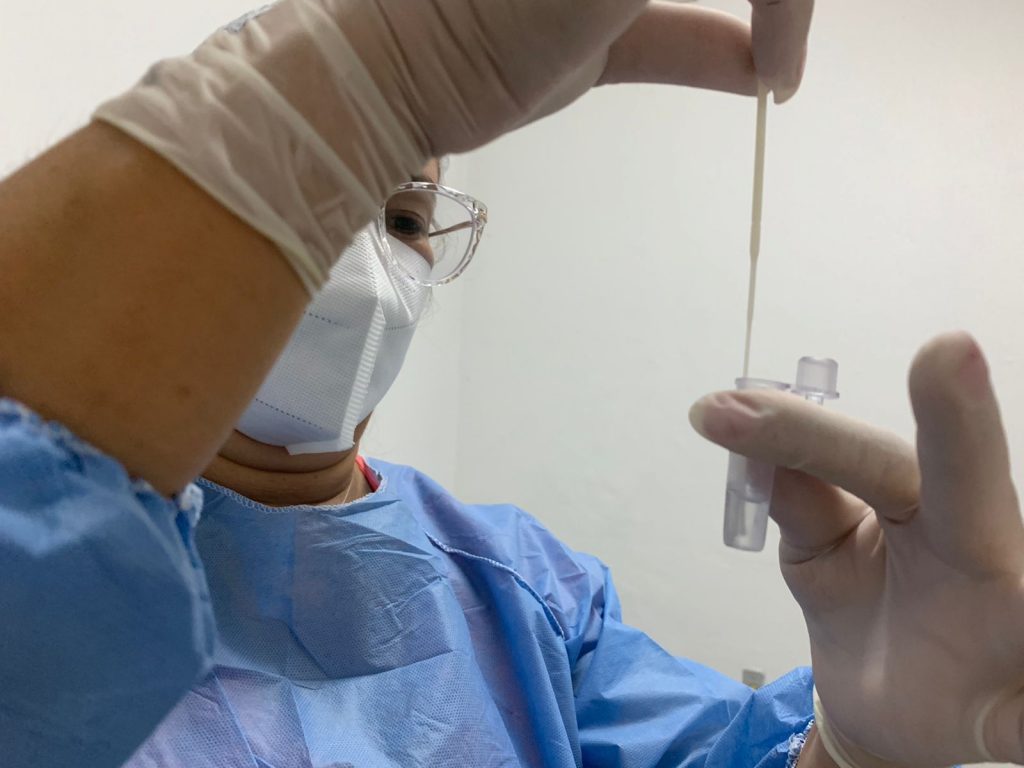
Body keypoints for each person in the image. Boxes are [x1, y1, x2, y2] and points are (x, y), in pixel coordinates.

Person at [0, 0, 1020, 766]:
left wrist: (850, 749)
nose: (365, 269)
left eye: (405, 220)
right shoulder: (65, 571)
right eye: (323, 200)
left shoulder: (523, 597)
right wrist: (340, 85)